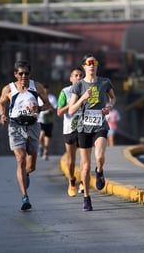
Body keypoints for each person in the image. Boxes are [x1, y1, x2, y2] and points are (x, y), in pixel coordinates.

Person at [0, 60, 52, 211]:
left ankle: (25, 174)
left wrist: (39, 108)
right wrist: (2, 115)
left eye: (26, 73)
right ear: (15, 74)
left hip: (33, 126)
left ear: (30, 73)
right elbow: (0, 103)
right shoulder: (8, 88)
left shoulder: (37, 86)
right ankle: (24, 197)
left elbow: (48, 105)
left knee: (31, 166)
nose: (23, 76)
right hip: (15, 126)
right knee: (20, 159)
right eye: (20, 73)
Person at [68, 54, 116, 211]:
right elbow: (71, 110)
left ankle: (100, 171)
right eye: (89, 63)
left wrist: (108, 107)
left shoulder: (104, 82)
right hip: (83, 128)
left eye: (94, 62)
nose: (92, 65)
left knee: (100, 157)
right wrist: (83, 98)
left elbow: (113, 99)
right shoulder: (79, 85)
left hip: (100, 124)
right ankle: (87, 197)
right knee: (86, 166)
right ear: (84, 66)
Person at [57, 66, 84, 197]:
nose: (78, 78)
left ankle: (83, 181)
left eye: (81, 75)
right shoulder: (65, 92)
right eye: (76, 75)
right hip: (69, 129)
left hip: (85, 128)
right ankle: (72, 180)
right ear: (71, 78)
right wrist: (71, 104)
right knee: (71, 159)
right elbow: (59, 112)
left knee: (85, 157)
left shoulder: (88, 91)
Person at [37, 84, 57, 161]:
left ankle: (45, 153)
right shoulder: (38, 97)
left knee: (47, 138)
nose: (45, 91)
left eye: (46, 90)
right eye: (44, 89)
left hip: (49, 119)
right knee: (41, 134)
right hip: (40, 120)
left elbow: (55, 109)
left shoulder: (52, 98)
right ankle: (40, 146)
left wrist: (49, 106)